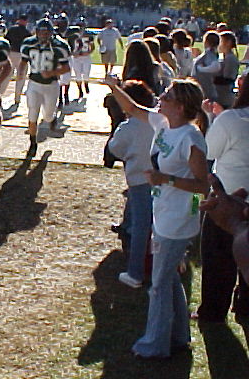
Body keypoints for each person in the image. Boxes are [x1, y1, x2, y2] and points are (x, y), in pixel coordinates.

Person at [104, 75, 209, 360]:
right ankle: (179, 336)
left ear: (180, 107)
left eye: (167, 96)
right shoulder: (163, 123)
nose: (161, 97)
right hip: (163, 215)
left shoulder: (190, 139)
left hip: (177, 222)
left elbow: (203, 186)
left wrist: (168, 180)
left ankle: (155, 345)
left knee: (159, 285)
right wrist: (114, 87)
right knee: (169, 279)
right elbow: (132, 108)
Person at [195, 77, 249, 323]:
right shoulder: (230, 119)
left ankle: (213, 311)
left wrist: (214, 119)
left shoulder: (232, 120)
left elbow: (210, 150)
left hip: (227, 201)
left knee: (218, 259)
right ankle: (244, 307)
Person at [107, 80, 155, 288]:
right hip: (165, 180)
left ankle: (136, 271)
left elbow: (115, 148)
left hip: (139, 179)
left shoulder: (128, 127)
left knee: (141, 227)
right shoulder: (161, 120)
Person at [17, 17, 71, 158]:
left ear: (52, 33)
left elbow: (66, 68)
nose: (44, 35)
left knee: (47, 116)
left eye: (46, 33)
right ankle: (32, 143)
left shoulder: (59, 46)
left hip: (51, 85)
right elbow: (23, 62)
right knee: (32, 113)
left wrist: (52, 72)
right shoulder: (28, 43)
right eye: (41, 32)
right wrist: (20, 73)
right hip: (34, 84)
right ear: (36, 32)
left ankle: (52, 119)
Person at [4, 14, 31, 113]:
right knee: (20, 77)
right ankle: (17, 98)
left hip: (11, 53)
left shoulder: (12, 29)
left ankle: (0, 95)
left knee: (7, 76)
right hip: (21, 56)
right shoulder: (27, 33)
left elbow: (6, 41)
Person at [191, 30, 220, 102]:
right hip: (204, 90)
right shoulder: (209, 53)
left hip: (206, 92)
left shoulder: (210, 53)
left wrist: (200, 69)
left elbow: (216, 66)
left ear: (206, 41)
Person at [214, 30, 239, 109]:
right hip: (219, 95)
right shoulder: (223, 57)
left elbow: (228, 79)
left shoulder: (230, 58)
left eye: (220, 42)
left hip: (224, 97)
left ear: (228, 43)